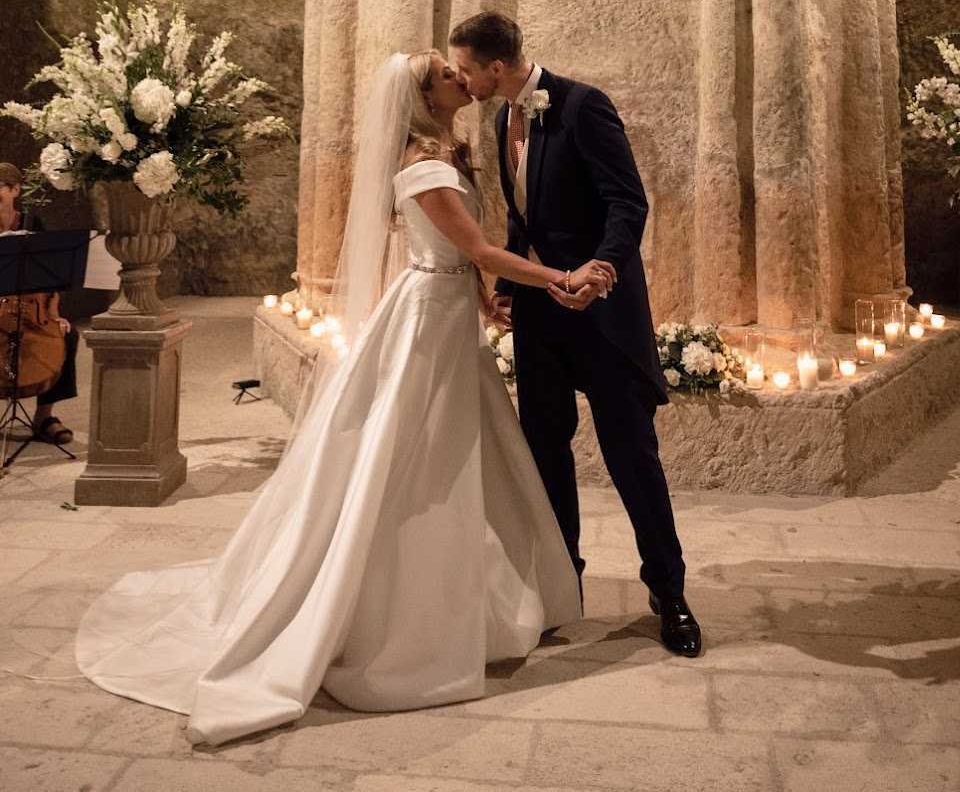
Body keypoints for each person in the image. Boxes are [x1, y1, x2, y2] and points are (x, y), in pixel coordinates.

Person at [76, 51, 613, 747]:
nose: (460, 77)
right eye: (446, 74)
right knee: (417, 453)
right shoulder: (422, 165)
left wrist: (483, 305)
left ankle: (488, 594)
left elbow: (460, 258)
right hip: (424, 316)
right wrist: (558, 278)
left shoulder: (443, 152)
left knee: (460, 446)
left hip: (447, 309)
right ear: (425, 97)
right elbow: (476, 247)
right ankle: (400, 610)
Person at [449, 13, 702, 658]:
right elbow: (523, 219)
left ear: (496, 67)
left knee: (632, 458)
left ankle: (669, 593)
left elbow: (628, 201)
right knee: (546, 455)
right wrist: (508, 290)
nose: (462, 80)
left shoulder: (585, 106)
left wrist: (604, 269)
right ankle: (565, 588)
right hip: (541, 318)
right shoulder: (499, 118)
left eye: (467, 69)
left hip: (603, 316)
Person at [0, 161, 78, 445]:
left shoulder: (33, 223)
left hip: (33, 308)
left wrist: (55, 314)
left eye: (0, 187)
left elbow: (53, 277)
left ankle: (44, 416)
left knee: (67, 335)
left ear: (15, 190)